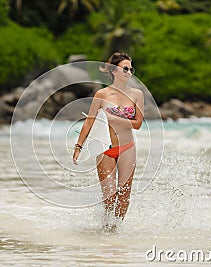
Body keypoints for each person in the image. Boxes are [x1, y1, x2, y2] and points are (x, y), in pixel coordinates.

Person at [73, 52, 144, 230]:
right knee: (110, 196)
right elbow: (89, 120)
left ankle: (115, 229)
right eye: (125, 69)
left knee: (124, 195)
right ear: (114, 71)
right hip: (106, 148)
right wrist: (79, 146)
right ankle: (106, 226)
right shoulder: (101, 94)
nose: (129, 72)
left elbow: (137, 124)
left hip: (127, 148)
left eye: (131, 69)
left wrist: (114, 119)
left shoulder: (137, 94)